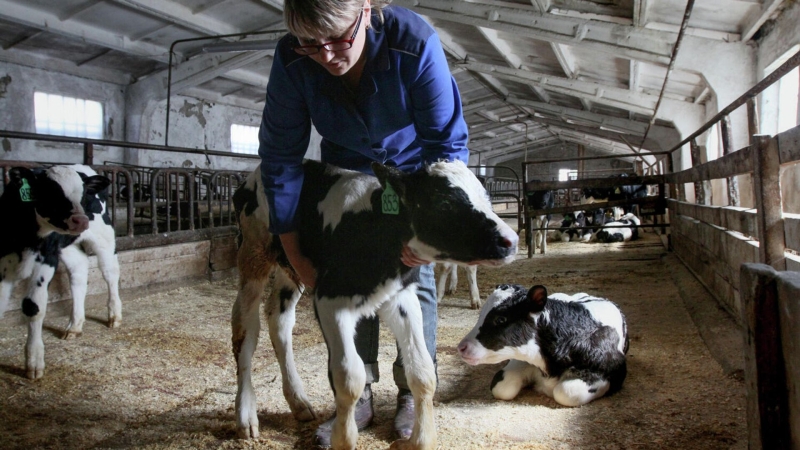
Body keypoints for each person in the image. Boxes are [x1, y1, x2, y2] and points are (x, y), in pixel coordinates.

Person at [257, 0, 469, 446]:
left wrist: (428, 225)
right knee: (349, 273)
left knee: (414, 278)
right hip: (346, 173)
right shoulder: (291, 58)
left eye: (337, 39)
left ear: (366, 10)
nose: (326, 55)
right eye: (310, 44)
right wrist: (295, 252)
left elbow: (446, 144)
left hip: (412, 172)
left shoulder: (415, 44)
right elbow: (281, 155)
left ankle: (412, 392)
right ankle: (358, 392)